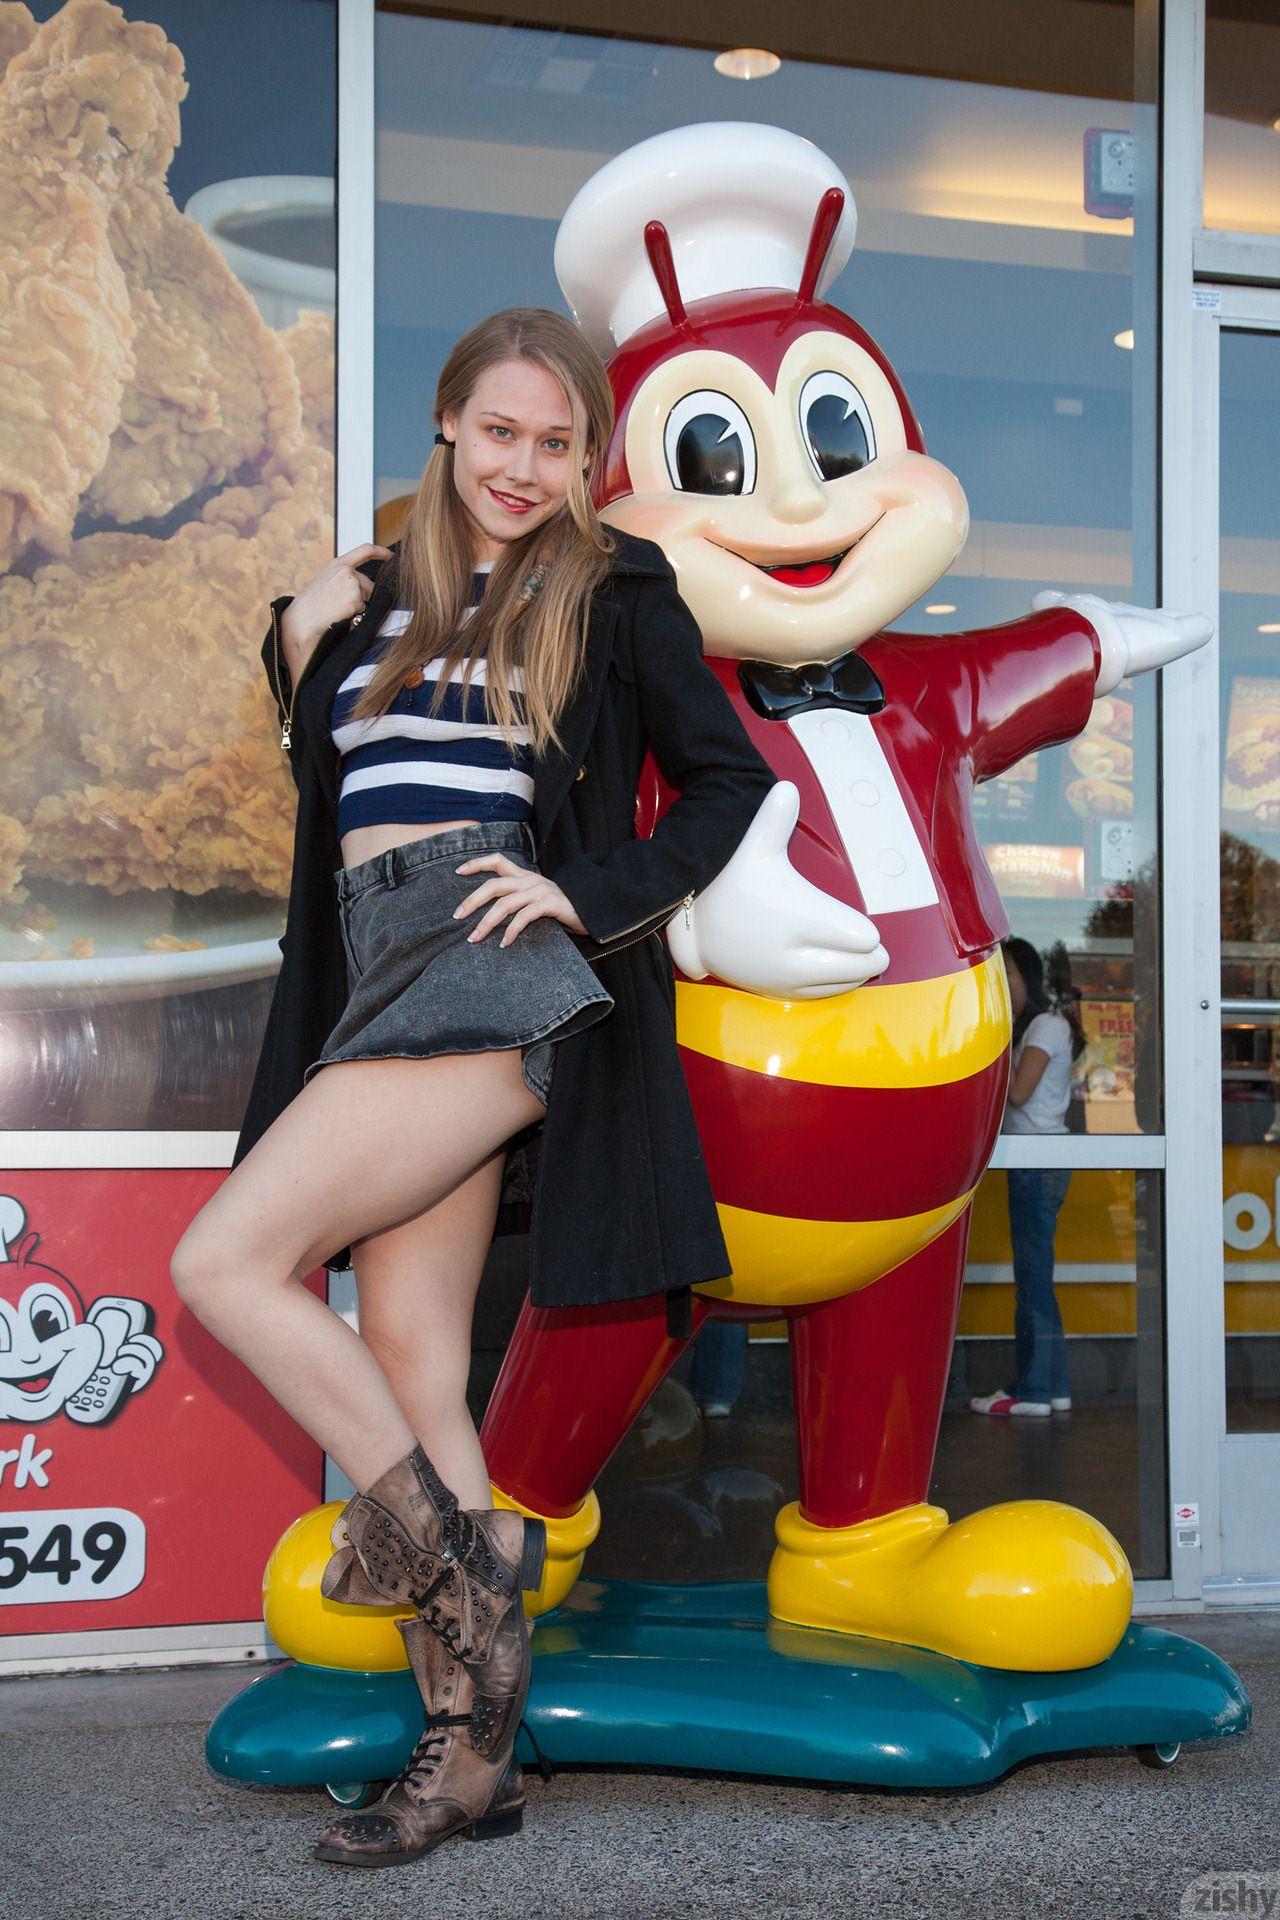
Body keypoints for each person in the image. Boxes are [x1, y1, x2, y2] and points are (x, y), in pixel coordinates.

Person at [170, 307, 776, 1868]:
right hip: (379, 965)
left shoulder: (613, 585)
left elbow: (730, 778)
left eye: (556, 443)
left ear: (587, 461)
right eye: (498, 432)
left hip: (485, 956)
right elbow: (341, 792)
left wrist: (592, 893)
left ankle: (462, 1579)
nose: (522, 467)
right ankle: (471, 1763)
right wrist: (293, 636)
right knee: (419, 1359)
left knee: (223, 1263)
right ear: (448, 425)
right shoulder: (376, 595)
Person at [970, 935, 1085, 1420]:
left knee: (1033, 1281)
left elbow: (1017, 1094)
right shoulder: (1045, 1026)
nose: (1004, 984)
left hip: (1038, 1165)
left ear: (1031, 980)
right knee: (1039, 1279)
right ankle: (1053, 1386)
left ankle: (1034, 1390)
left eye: (1010, 976)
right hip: (1039, 1163)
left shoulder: (1044, 1026)